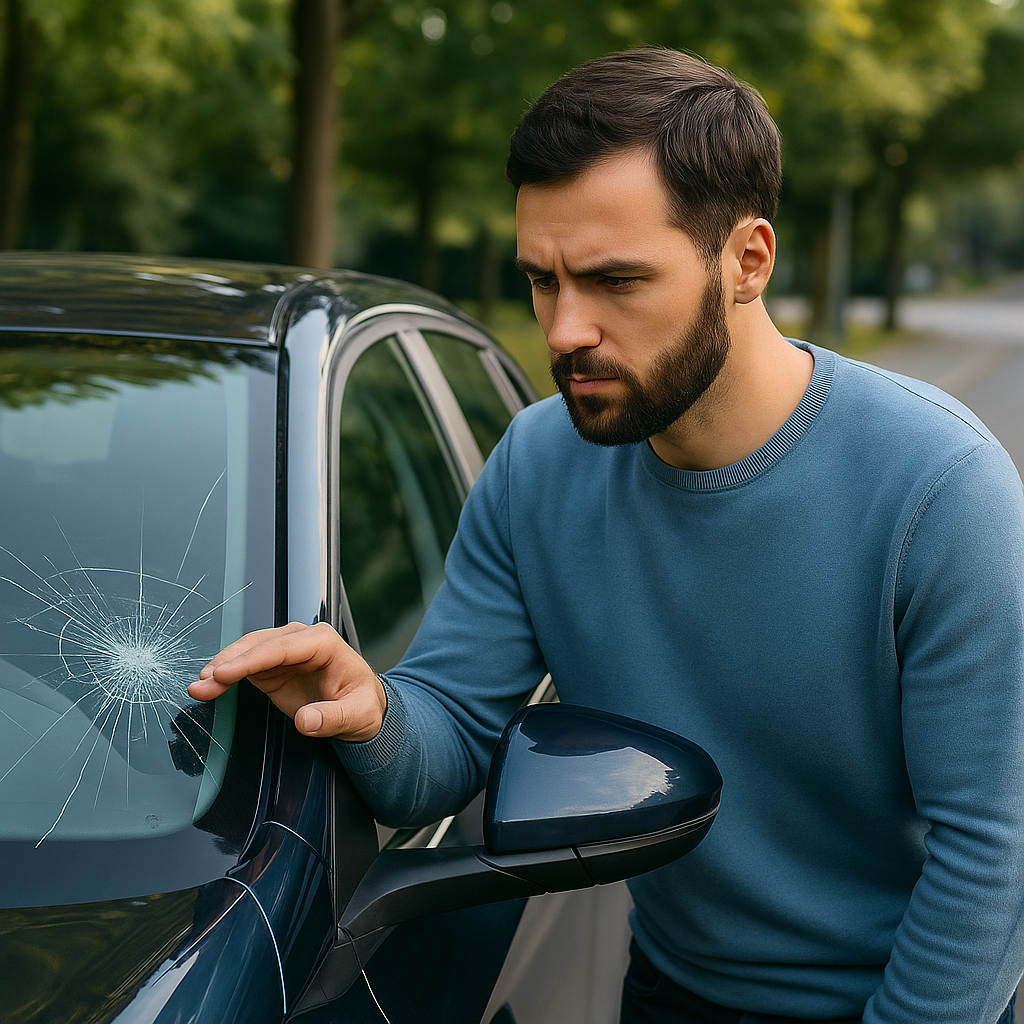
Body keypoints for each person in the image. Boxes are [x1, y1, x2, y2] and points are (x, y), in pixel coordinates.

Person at [189, 48, 1024, 1024]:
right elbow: (447, 743)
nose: (565, 328)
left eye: (615, 280)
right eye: (541, 280)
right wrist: (369, 705)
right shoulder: (537, 464)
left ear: (746, 260)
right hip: (668, 993)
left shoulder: (939, 486)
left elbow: (993, 848)